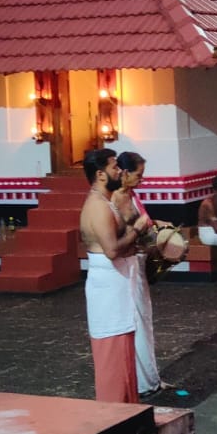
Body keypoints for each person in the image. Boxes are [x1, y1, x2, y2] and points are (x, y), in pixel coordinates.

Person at [110, 151, 184, 398]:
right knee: (138, 321)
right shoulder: (119, 198)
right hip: (130, 262)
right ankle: (144, 383)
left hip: (138, 262)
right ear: (124, 172)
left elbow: (145, 224)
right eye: (139, 175)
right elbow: (135, 230)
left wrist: (161, 227)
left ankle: (150, 378)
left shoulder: (130, 194)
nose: (142, 180)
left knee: (144, 320)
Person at [79, 148, 147, 403]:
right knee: (113, 360)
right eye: (114, 167)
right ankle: (114, 421)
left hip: (116, 286)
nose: (120, 170)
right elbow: (111, 250)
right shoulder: (97, 207)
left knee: (124, 356)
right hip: (108, 288)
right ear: (101, 174)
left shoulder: (106, 201)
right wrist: (137, 230)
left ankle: (128, 418)